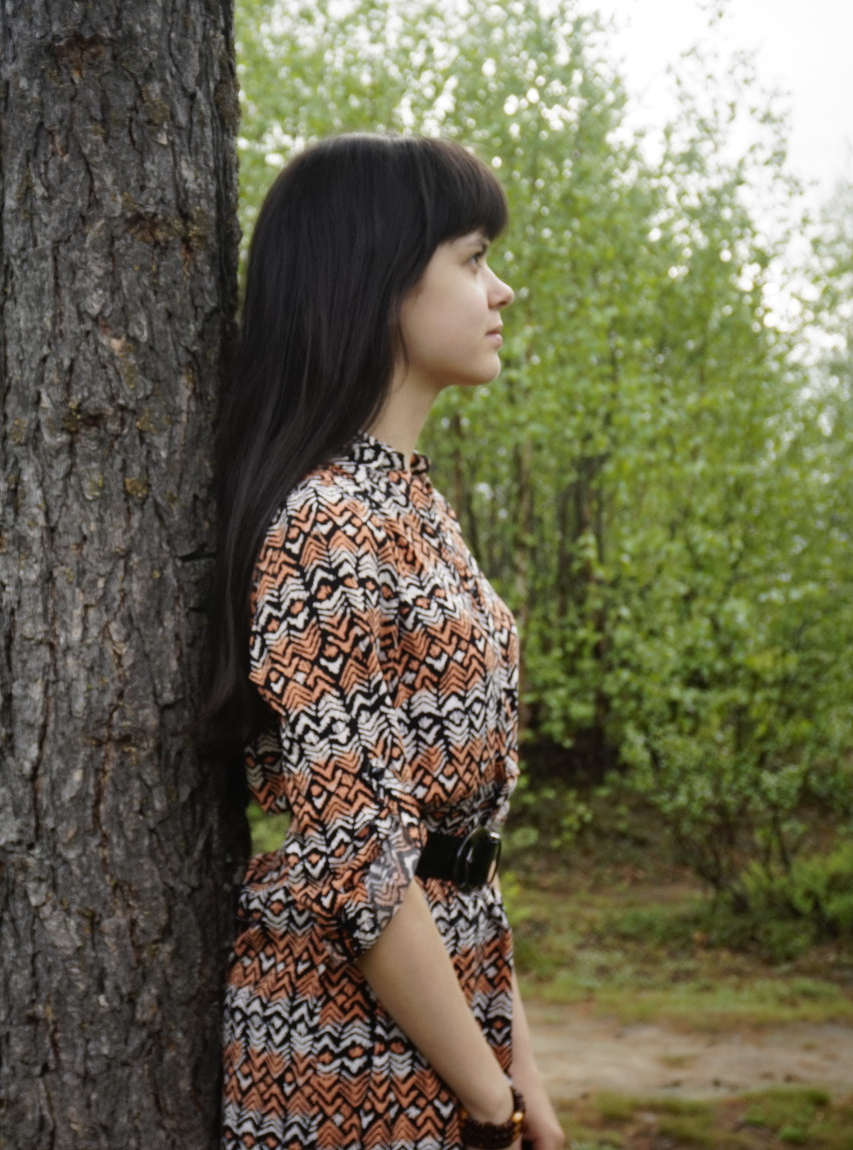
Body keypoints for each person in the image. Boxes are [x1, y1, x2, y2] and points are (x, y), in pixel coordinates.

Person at [203, 134, 568, 1150]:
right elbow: (362, 862)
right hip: (345, 1048)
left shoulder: (411, 509)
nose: (501, 290)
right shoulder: (327, 523)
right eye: (471, 257)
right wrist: (485, 1100)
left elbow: (458, 852)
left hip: (446, 1011)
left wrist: (515, 1064)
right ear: (376, 281)